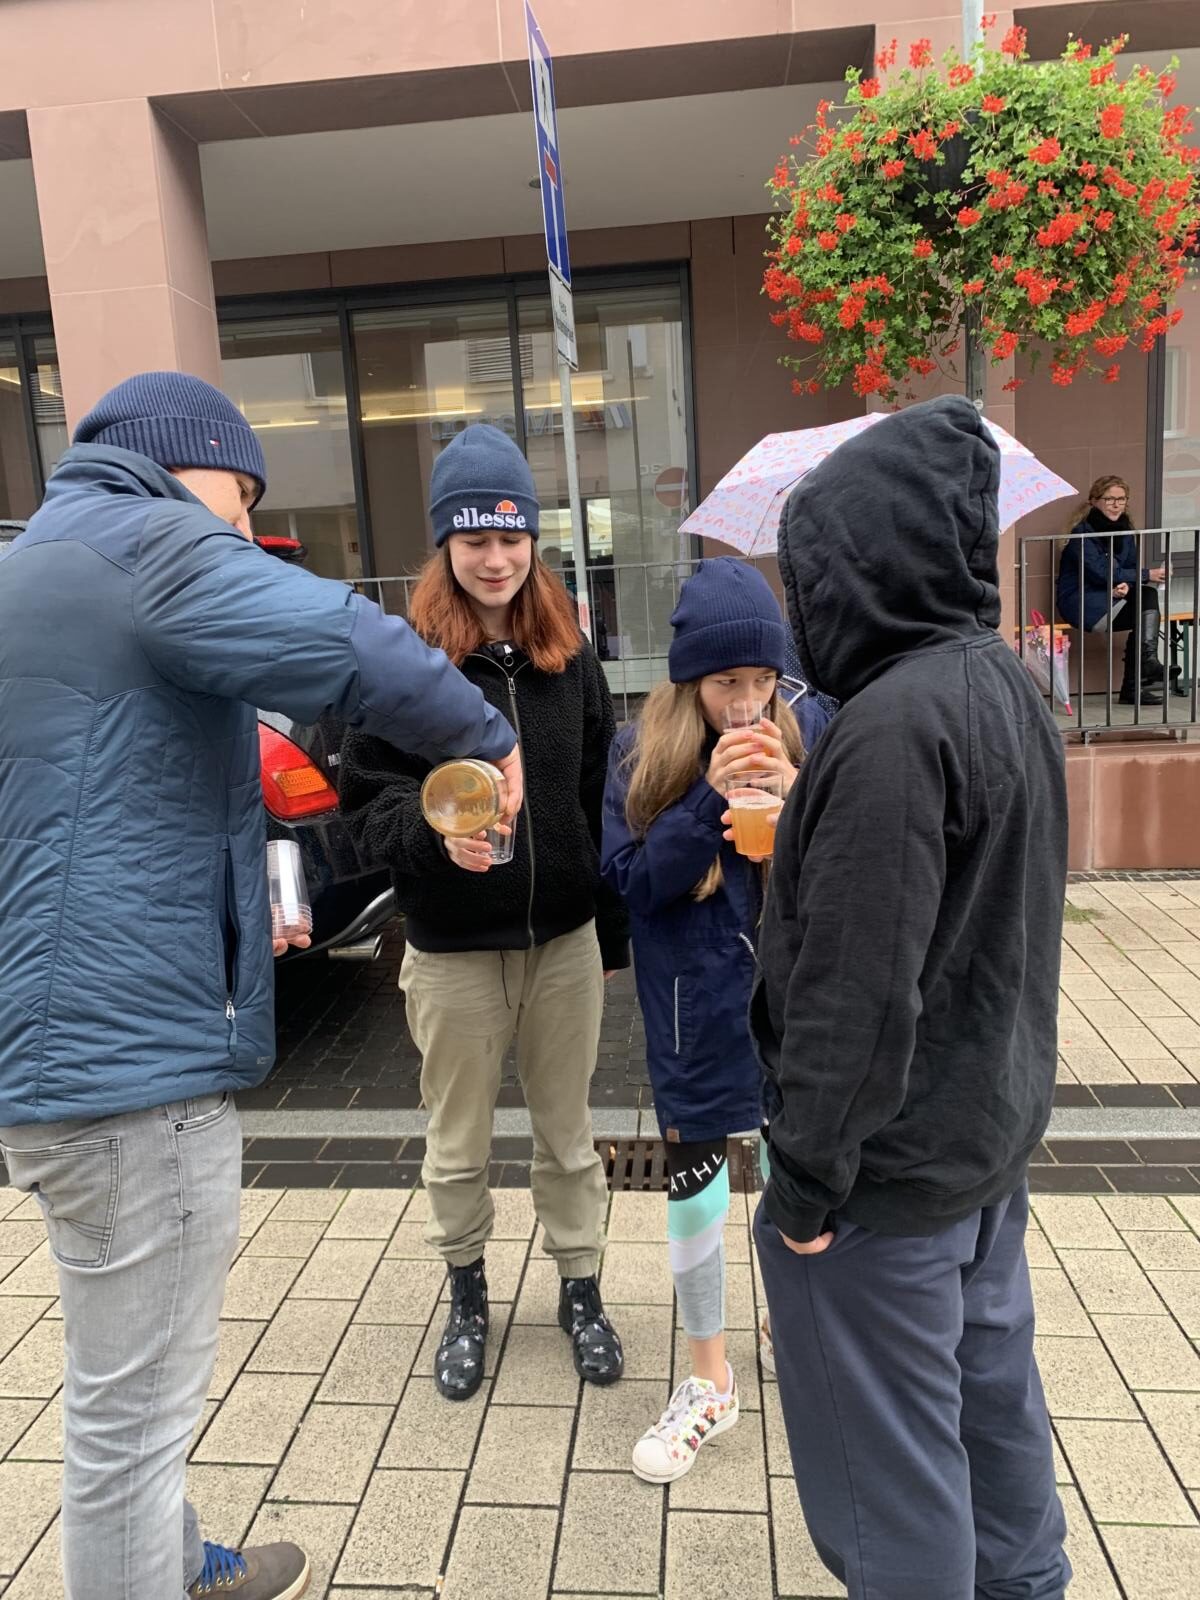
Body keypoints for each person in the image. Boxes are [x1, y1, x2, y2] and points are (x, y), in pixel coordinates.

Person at [0, 373, 522, 1600]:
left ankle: (182, 1561)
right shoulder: (153, 543)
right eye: (243, 497)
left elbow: (103, 803)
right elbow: (349, 643)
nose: (243, 527)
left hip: (54, 1057)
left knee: (121, 1378)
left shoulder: (34, 569)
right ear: (191, 466)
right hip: (134, 1079)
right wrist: (485, 738)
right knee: (129, 1425)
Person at [752, 395, 1071, 1600]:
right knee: (993, 1417)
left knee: (891, 1493)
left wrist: (804, 1184)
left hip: (879, 1182)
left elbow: (856, 993)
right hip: (980, 1146)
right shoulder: (1004, 686)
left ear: (857, 563)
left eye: (807, 574)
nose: (802, 603)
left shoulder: (888, 727)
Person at [339, 423, 628, 1403]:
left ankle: (581, 1290)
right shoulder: (405, 664)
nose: (496, 559)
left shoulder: (569, 655)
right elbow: (364, 808)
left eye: (511, 537)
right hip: (453, 950)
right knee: (457, 1142)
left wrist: (609, 926)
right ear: (445, 544)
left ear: (533, 539)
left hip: (563, 944)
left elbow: (598, 795)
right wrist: (433, 839)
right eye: (474, 540)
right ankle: (466, 1296)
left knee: (569, 1137)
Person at [601, 557, 828, 1483]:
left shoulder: (810, 724)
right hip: (690, 1009)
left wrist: (798, 793)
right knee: (695, 1191)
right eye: (727, 682)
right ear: (690, 676)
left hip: (792, 999)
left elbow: (852, 855)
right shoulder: (638, 751)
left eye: (763, 680)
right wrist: (704, 798)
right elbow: (631, 885)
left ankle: (792, 1326)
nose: (747, 704)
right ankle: (709, 1380)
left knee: (796, 1171)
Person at [1056, 474, 1169, 706]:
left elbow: (1128, 569)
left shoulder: (1125, 532)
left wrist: (1127, 585)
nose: (1116, 504)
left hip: (1112, 599)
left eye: (1121, 499)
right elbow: (1100, 572)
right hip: (1083, 604)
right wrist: (1146, 575)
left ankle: (1134, 685)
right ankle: (1145, 668)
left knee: (1145, 600)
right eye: (1109, 499)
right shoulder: (1081, 534)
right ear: (1094, 501)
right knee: (1145, 601)